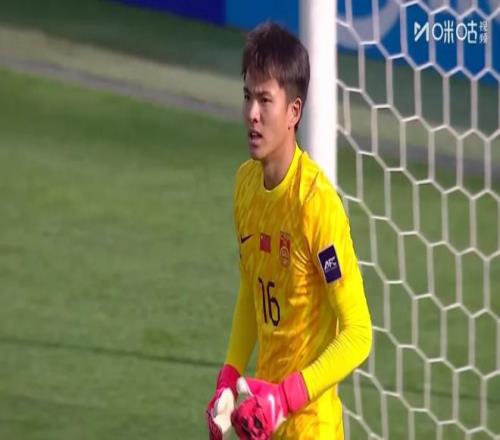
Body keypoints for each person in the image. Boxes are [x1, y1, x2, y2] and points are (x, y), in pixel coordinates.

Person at [206, 22, 372, 440]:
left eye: (265, 100)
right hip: (262, 421)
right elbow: (252, 287)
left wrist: (285, 398)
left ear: (294, 112)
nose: (252, 114)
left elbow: (358, 333)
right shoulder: (245, 185)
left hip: (311, 427)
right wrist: (228, 377)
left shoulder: (315, 204)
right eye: (247, 96)